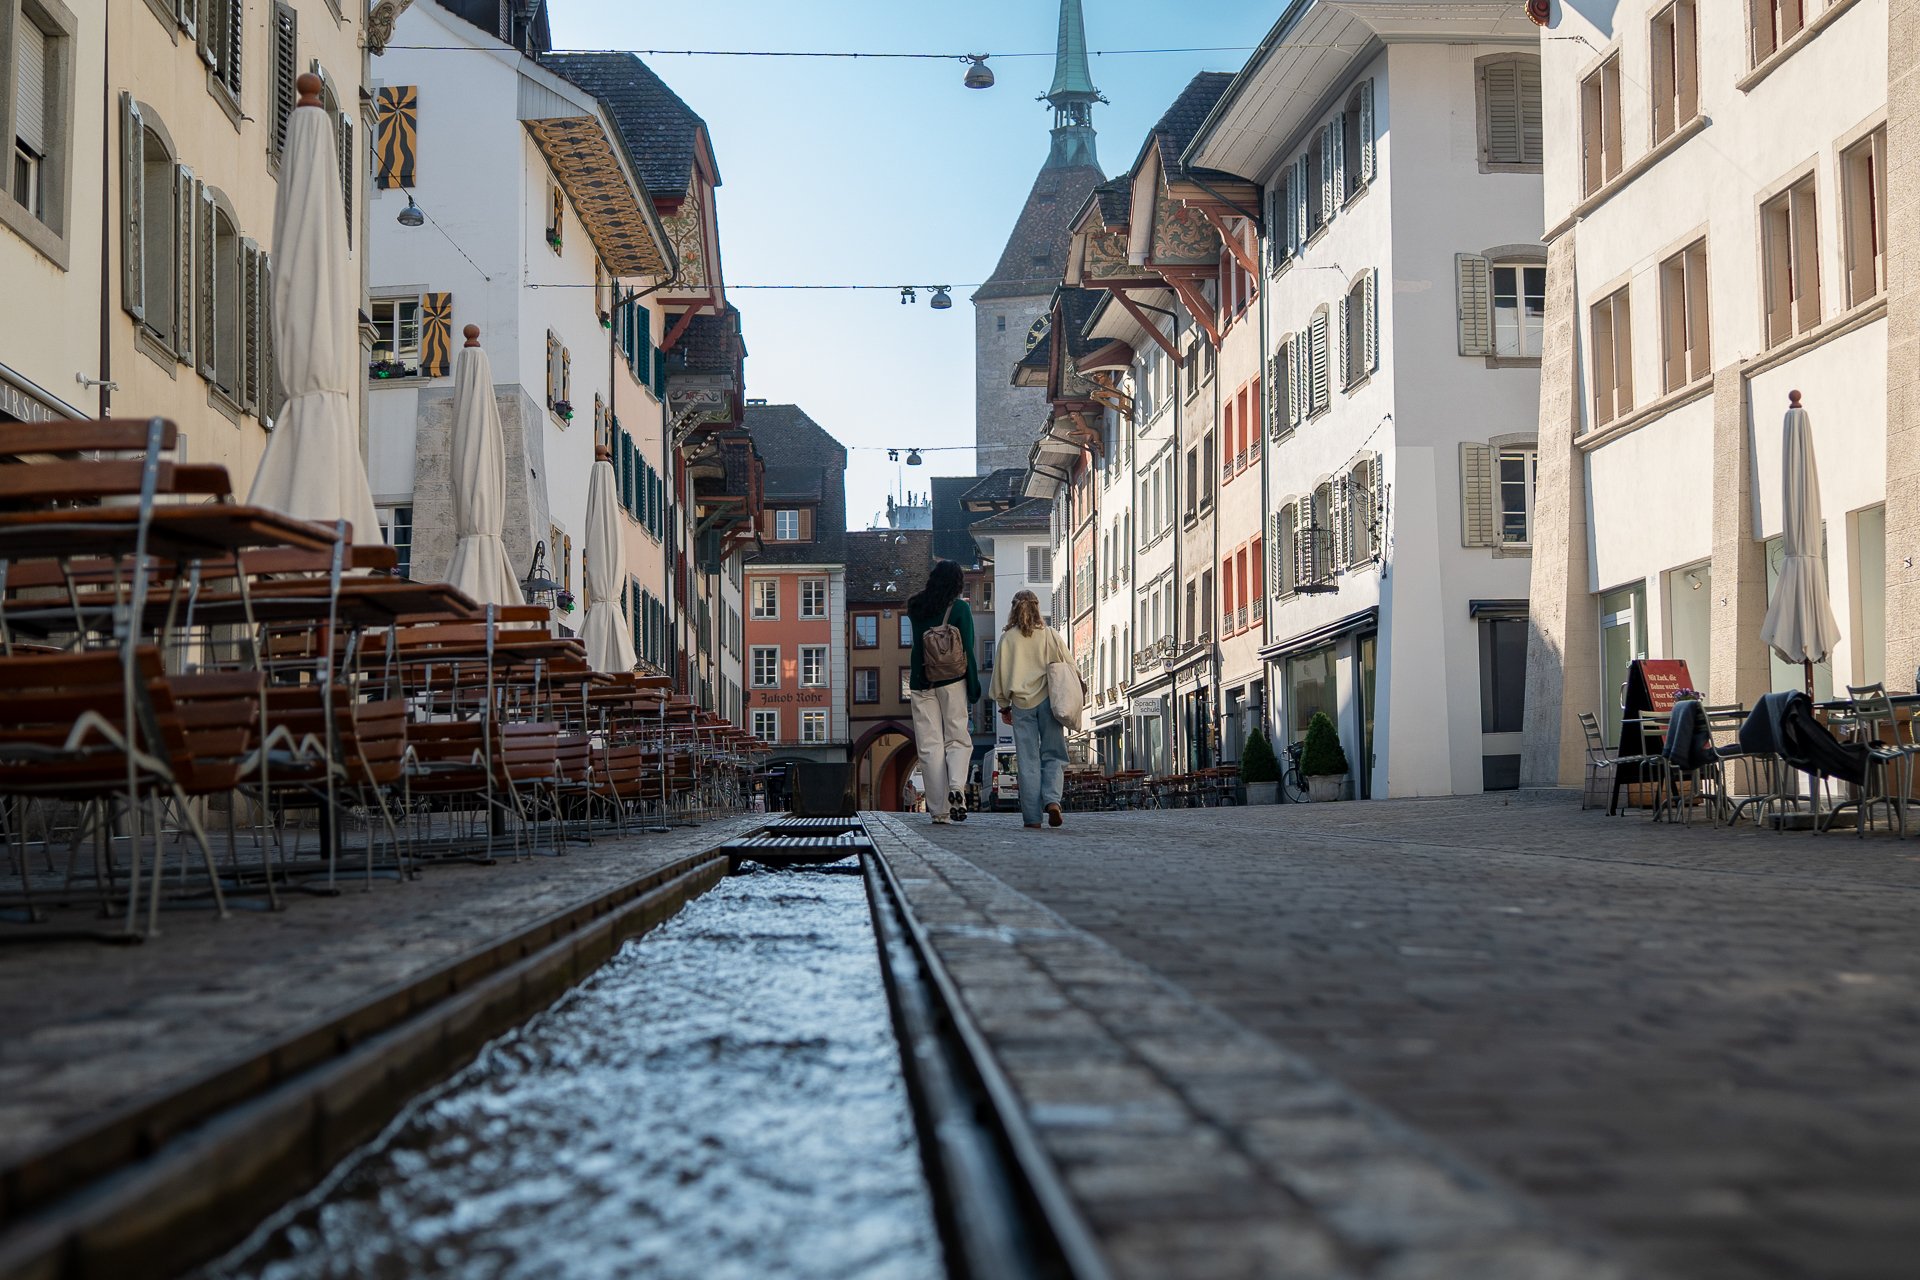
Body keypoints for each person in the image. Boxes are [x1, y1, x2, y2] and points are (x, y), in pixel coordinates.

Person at [906, 559, 981, 824]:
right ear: (957, 582)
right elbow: (968, 650)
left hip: (921, 682)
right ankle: (957, 787)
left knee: (929, 746)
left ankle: (939, 810)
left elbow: (916, 646)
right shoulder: (959, 608)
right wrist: (973, 686)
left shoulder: (915, 607)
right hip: (952, 680)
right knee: (957, 738)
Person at [990, 589, 1071, 829]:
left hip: (1021, 706)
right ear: (1037, 608)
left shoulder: (1008, 639)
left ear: (1013, 609)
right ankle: (1052, 801)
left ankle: (1032, 818)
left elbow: (1000, 677)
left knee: (1028, 761)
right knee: (1054, 754)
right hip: (1049, 701)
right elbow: (1069, 667)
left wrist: (1004, 706)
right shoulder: (1051, 635)